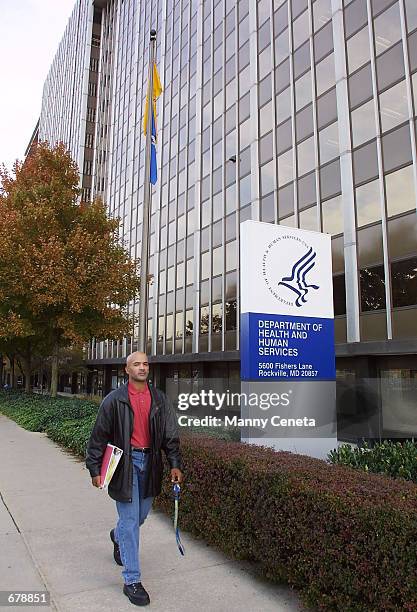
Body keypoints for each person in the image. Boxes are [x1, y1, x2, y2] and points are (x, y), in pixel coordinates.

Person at [86, 352, 183, 606]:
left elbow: (170, 435)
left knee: (138, 517)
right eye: (137, 364)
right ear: (126, 369)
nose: (142, 368)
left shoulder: (159, 399)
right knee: (130, 521)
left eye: (145, 364)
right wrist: (94, 468)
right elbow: (99, 436)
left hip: (150, 464)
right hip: (125, 465)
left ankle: (117, 536)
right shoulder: (114, 400)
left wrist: (175, 463)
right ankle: (132, 581)